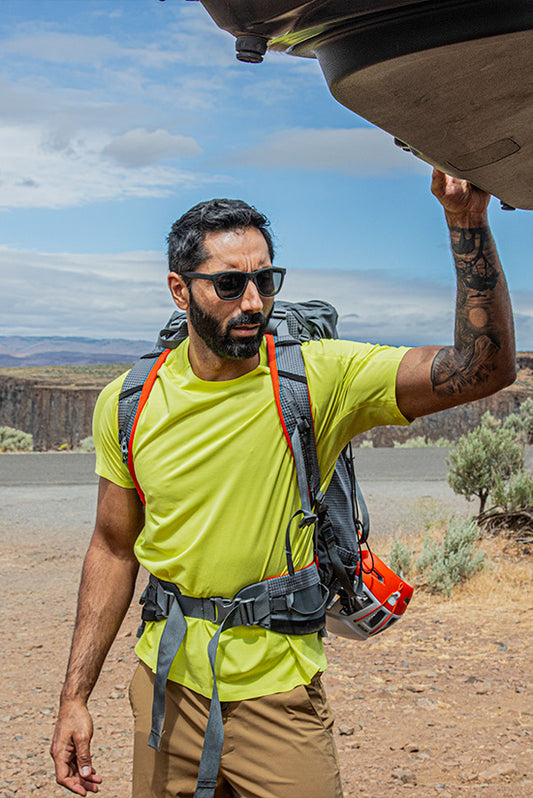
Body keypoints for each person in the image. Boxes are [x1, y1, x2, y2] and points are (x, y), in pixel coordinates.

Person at [51, 169, 516, 798]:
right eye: (229, 283)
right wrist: (74, 697)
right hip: (166, 694)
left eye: (264, 281)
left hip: (279, 701)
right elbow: (111, 548)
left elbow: (483, 367)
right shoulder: (128, 403)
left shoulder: (315, 379)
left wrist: (466, 221)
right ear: (179, 291)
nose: (252, 303)